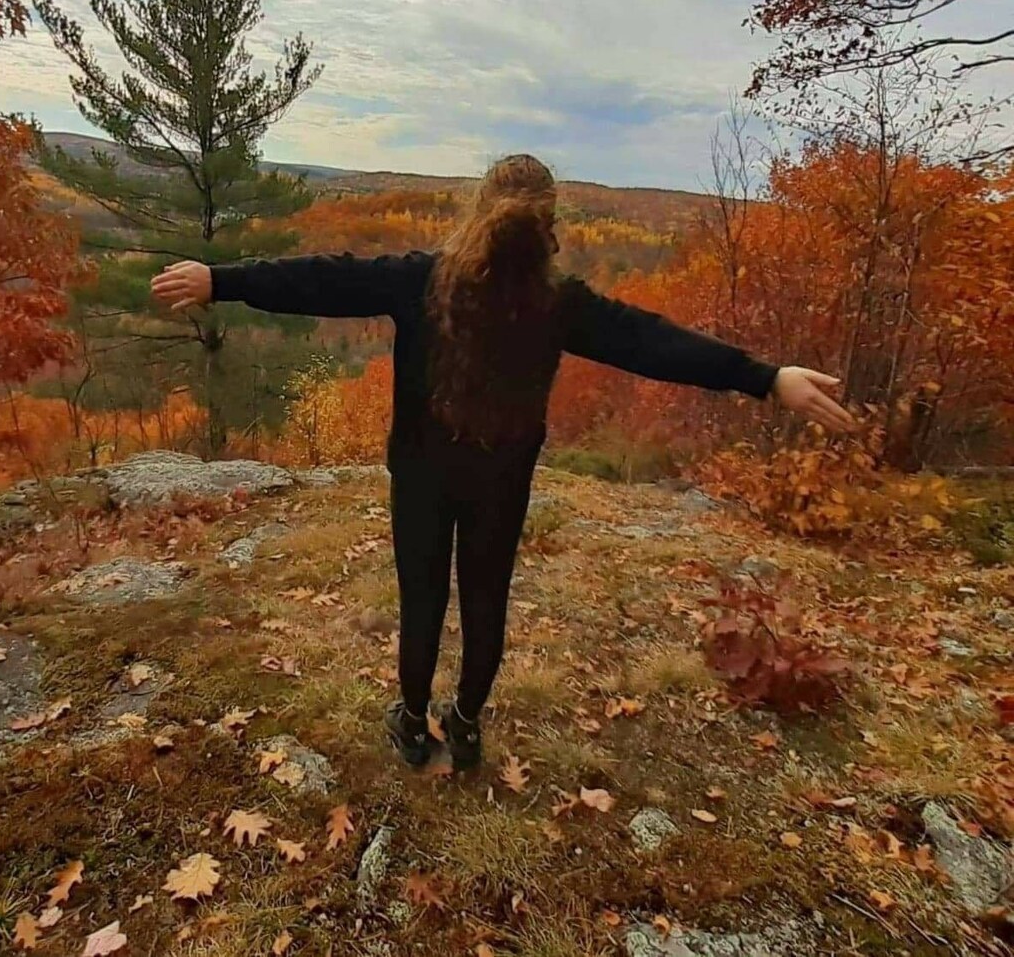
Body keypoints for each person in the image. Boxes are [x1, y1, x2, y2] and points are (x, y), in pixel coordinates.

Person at [150, 155, 854, 771]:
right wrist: (765, 377)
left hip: (422, 479)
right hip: (502, 484)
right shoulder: (561, 304)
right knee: (486, 602)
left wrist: (223, 278)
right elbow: (656, 343)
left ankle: (413, 723)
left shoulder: (422, 280)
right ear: (549, 224)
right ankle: (465, 724)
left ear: (479, 210)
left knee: (422, 600)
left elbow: (322, 282)